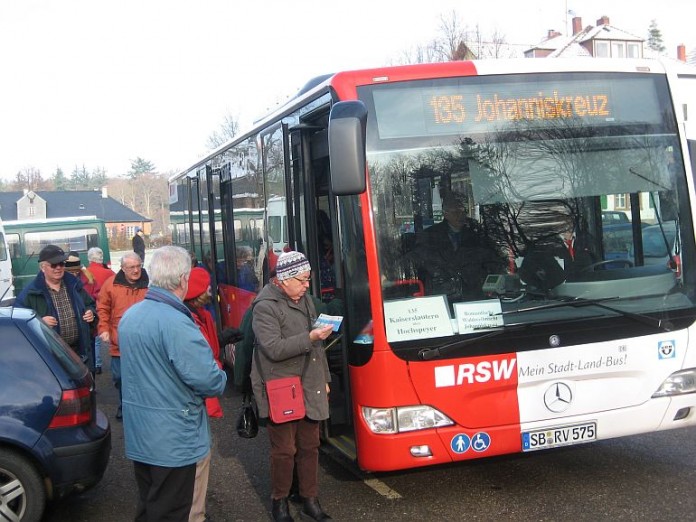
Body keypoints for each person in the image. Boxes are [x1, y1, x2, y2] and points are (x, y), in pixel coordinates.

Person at [118, 246, 227, 521]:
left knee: (150, 505)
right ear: (182, 280)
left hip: (141, 435)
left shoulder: (131, 316)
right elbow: (209, 381)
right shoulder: (177, 323)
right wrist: (220, 372)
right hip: (174, 440)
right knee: (172, 512)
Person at [250, 251, 334, 522]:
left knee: (310, 445)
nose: (307, 285)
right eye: (302, 280)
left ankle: (310, 499)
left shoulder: (305, 298)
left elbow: (318, 349)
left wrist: (325, 378)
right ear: (284, 280)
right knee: (284, 450)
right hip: (280, 385)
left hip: (310, 381)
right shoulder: (264, 306)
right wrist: (310, 336)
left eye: (308, 279)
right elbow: (273, 349)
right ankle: (280, 502)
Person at [411, 191, 506, 301]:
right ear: (445, 214)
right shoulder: (429, 236)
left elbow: (493, 260)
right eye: (455, 212)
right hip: (442, 296)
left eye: (462, 211)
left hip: (474, 296)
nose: (460, 215)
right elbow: (418, 260)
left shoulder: (476, 235)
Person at [183, 267, 224, 522]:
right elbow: (201, 364)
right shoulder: (191, 320)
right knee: (199, 458)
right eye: (207, 287)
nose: (211, 291)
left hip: (195, 399)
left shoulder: (200, 314)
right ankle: (195, 516)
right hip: (192, 401)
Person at [15, 244, 96, 368]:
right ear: (42, 267)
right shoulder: (30, 292)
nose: (59, 268)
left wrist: (91, 313)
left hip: (80, 353)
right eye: (54, 265)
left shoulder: (74, 285)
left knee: (85, 387)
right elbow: (18, 324)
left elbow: (90, 304)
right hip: (50, 357)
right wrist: (38, 322)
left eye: (62, 264)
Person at [97, 251, 149, 420]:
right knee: (120, 377)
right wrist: (103, 329)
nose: (136, 270)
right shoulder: (111, 284)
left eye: (138, 266)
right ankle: (124, 405)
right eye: (131, 267)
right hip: (118, 342)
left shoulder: (150, 284)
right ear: (123, 268)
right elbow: (103, 308)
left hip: (144, 342)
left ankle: (144, 408)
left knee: (144, 378)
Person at [85, 247, 116, 374]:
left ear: (89, 258)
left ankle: (97, 364)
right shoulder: (110, 273)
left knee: (96, 337)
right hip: (109, 307)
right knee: (112, 334)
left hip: (93, 307)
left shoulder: (86, 273)